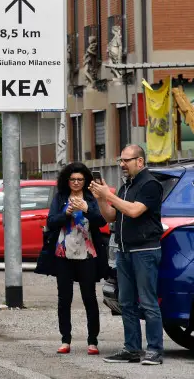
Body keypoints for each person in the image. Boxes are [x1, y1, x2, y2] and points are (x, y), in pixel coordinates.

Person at [89, 144, 164, 366]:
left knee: (148, 302)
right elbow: (111, 217)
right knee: (126, 302)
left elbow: (133, 210)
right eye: (120, 160)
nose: (122, 164)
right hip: (124, 251)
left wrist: (108, 195)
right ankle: (131, 349)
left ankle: (154, 350)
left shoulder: (150, 184)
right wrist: (101, 198)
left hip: (145, 251)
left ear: (139, 162)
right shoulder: (125, 186)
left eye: (126, 160)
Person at [36, 162, 107, 355]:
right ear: (67, 181)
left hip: (87, 254)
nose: (76, 183)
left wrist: (86, 209)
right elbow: (51, 221)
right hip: (63, 254)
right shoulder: (60, 197)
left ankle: (92, 341)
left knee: (89, 298)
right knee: (64, 299)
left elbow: (102, 221)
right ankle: (65, 340)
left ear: (86, 181)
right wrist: (65, 213)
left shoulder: (91, 198)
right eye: (73, 179)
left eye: (80, 180)